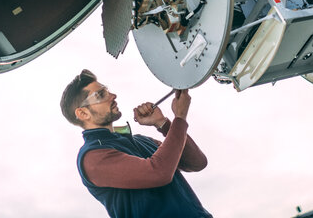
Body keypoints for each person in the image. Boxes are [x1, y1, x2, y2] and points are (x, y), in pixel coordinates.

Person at [60, 69, 212, 218]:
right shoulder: (92, 157)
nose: (113, 96)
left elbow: (197, 163)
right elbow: (159, 172)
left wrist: (163, 123)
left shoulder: (140, 140)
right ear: (83, 113)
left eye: (107, 90)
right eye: (100, 95)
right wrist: (180, 117)